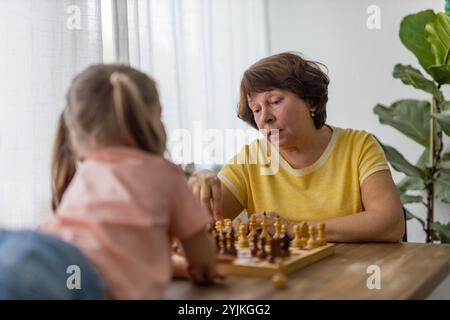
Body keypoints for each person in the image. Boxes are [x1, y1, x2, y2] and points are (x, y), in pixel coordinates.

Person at [0, 64, 219, 299]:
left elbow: (103, 246)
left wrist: (165, 266)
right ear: (150, 122)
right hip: (82, 277)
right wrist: (201, 269)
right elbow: (204, 262)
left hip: (44, 251)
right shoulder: (168, 175)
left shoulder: (88, 171)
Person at [188, 52, 405, 243]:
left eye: (274, 101)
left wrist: (293, 228)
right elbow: (194, 223)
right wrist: (202, 180)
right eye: (256, 109)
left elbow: (390, 224)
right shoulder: (251, 159)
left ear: (311, 101)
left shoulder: (359, 146)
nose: (265, 118)